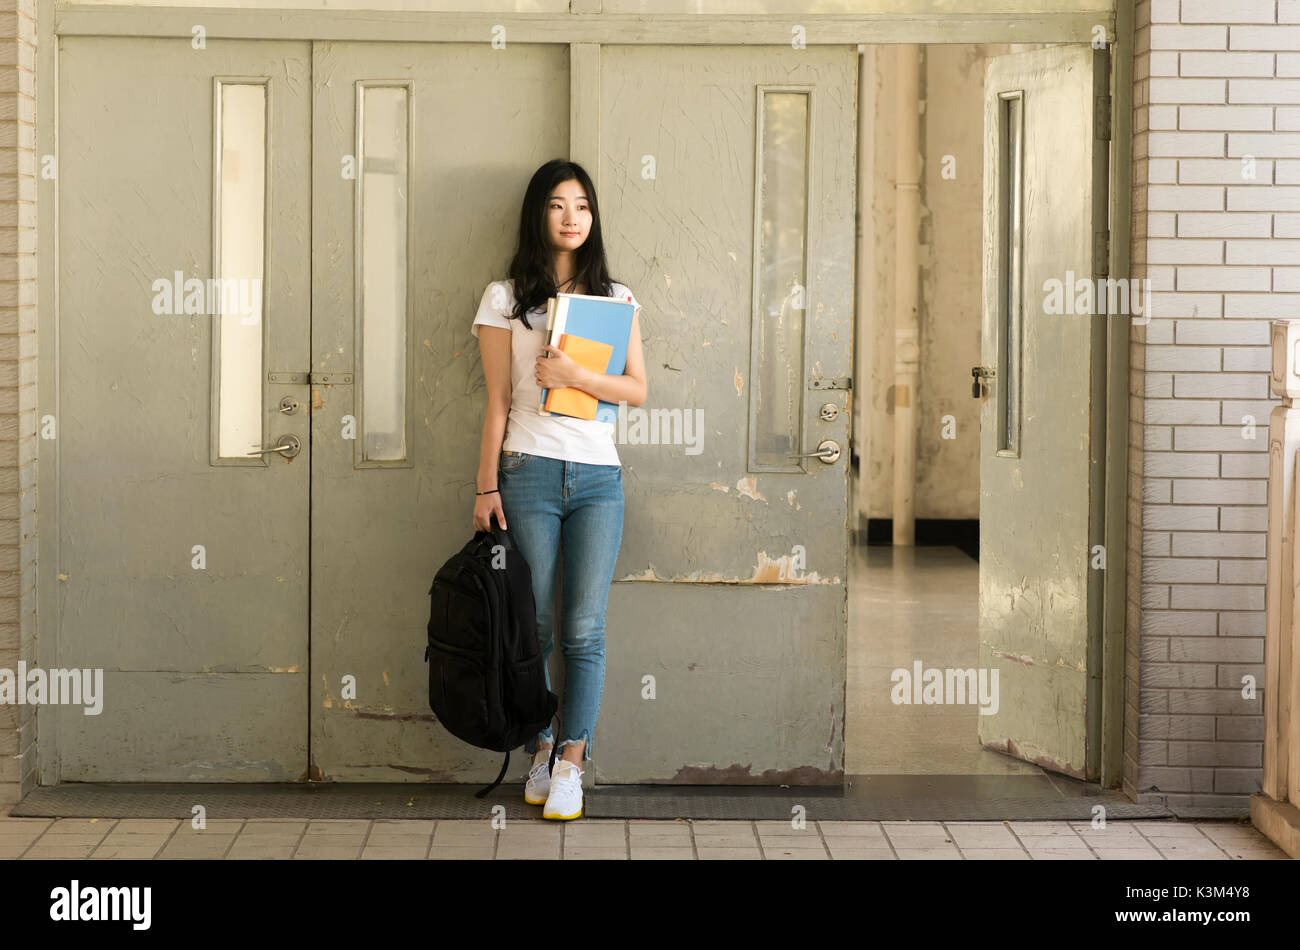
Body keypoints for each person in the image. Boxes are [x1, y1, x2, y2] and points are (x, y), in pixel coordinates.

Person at [469, 159, 647, 820]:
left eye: (582, 206)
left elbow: (635, 390)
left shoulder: (617, 299)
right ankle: (540, 747)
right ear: (537, 214)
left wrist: (575, 371)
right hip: (528, 473)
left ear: (593, 218)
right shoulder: (503, 299)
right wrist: (486, 488)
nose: (571, 217)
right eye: (556, 205)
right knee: (535, 625)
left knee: (584, 628)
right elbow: (493, 403)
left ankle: (574, 759)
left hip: (598, 479)